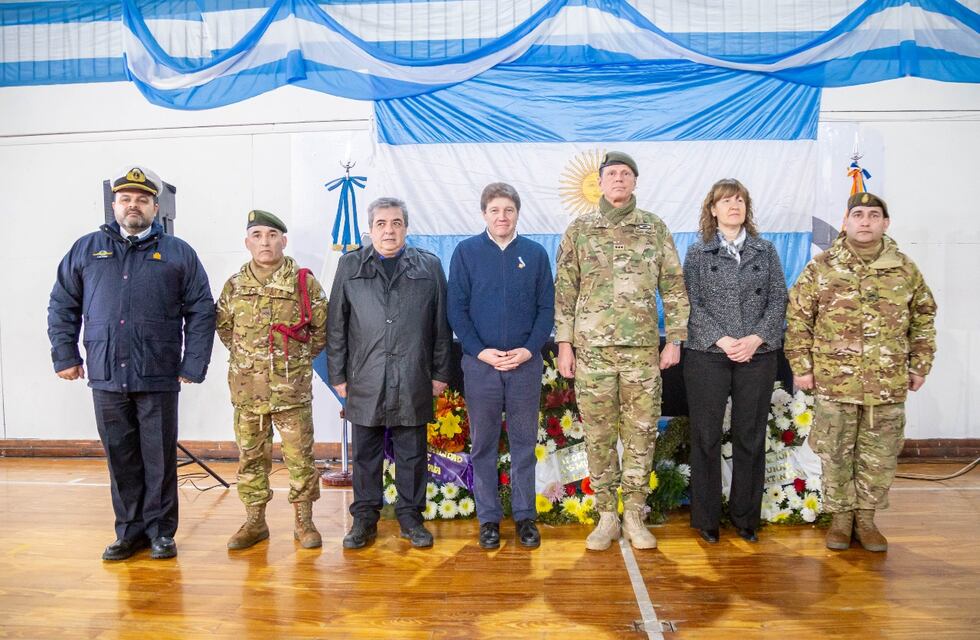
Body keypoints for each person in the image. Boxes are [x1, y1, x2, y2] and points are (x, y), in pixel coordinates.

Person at [47, 165, 215, 561]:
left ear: (156, 207)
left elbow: (202, 310)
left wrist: (193, 365)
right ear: (114, 205)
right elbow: (62, 305)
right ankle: (129, 532)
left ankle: (161, 533)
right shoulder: (86, 250)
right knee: (121, 458)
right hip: (106, 374)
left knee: (158, 458)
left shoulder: (178, 253)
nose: (133, 205)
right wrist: (65, 355)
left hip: (157, 372)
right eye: (126, 199)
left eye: (142, 199)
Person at [786, 191, 937, 552]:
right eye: (858, 214)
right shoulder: (822, 267)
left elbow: (924, 317)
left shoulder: (904, 268)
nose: (865, 221)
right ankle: (840, 520)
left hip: (886, 383)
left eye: (873, 215)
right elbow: (797, 319)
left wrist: (920, 364)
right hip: (835, 381)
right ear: (846, 222)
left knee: (880, 454)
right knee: (835, 452)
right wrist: (802, 367)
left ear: (885, 223)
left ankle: (866, 520)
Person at [554, 151, 690, 551]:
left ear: (634, 182)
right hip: (591, 351)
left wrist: (675, 339)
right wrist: (564, 344)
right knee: (598, 435)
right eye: (611, 173)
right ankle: (606, 516)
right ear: (600, 181)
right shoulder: (579, 229)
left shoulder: (653, 228)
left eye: (625, 174)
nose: (618, 179)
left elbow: (674, 286)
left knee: (641, 433)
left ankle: (634, 512)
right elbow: (565, 290)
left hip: (642, 351)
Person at [327, 197, 452, 549]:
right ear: (370, 229)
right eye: (381, 223)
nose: (389, 230)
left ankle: (410, 516)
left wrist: (441, 373)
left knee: (412, 451)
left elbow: (441, 326)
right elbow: (337, 325)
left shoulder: (429, 267)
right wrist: (338, 375)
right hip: (365, 375)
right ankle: (364, 518)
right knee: (366, 453)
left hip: (413, 374)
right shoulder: (349, 266)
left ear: (406, 228)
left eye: (396, 223)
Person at [447, 182, 555, 550]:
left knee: (525, 443)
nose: (502, 217)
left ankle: (525, 517)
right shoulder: (466, 253)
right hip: (482, 368)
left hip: (525, 366)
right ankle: (489, 519)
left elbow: (546, 310)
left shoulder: (536, 254)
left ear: (517, 213)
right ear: (484, 214)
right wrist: (481, 352)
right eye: (494, 210)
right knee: (484, 446)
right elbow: (456, 310)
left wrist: (528, 350)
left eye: (508, 210)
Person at [682, 179, 788, 544]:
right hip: (708, 354)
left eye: (740, 200)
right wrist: (724, 340)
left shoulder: (766, 250)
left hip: (757, 355)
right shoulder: (698, 253)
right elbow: (690, 303)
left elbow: (778, 301)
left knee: (750, 435)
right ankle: (707, 519)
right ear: (712, 209)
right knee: (706, 437)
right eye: (725, 200)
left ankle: (746, 518)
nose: (734, 205)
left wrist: (756, 338)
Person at [216, 210, 328, 550]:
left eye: (272, 235)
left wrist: (291, 365)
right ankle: (255, 522)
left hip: (290, 391)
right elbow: (224, 329)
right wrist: (252, 363)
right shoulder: (235, 285)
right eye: (257, 235)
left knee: (300, 458)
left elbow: (321, 332)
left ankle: (304, 523)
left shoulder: (304, 282)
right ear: (247, 242)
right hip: (248, 391)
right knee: (250, 457)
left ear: (284, 240)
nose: (265, 241)